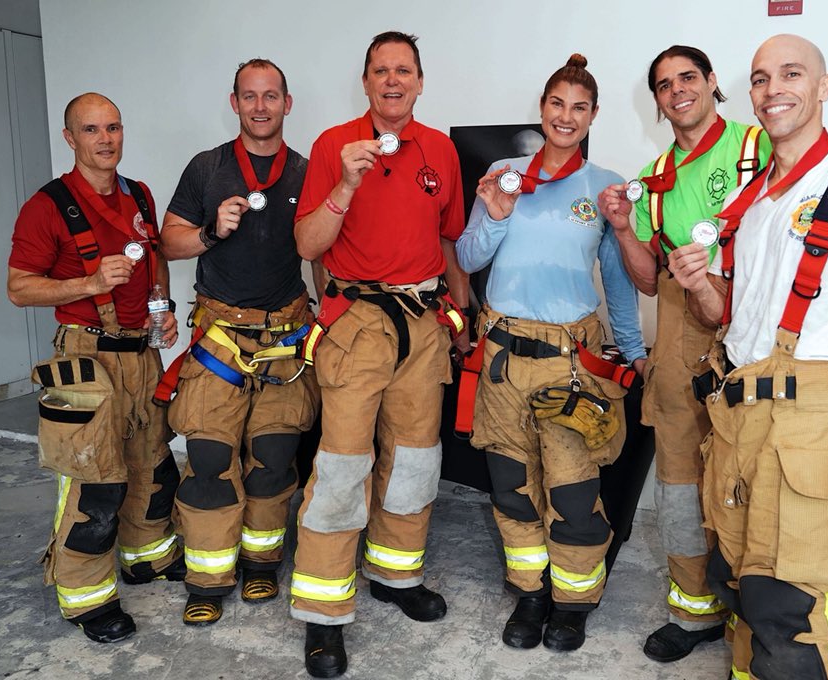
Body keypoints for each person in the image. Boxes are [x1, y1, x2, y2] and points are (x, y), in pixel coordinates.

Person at [668, 34, 828, 679]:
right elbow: (727, 317)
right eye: (760, 78)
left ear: (823, 86)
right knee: (739, 586)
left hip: (812, 429)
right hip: (739, 421)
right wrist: (702, 285)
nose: (773, 89)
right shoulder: (757, 201)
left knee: (790, 609)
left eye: (791, 74)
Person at [289, 30, 469, 678]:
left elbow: (448, 242)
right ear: (364, 83)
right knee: (341, 468)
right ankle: (324, 612)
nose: (392, 80)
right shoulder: (333, 145)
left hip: (423, 325)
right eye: (380, 71)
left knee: (417, 461)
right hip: (356, 324)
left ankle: (396, 575)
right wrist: (343, 184)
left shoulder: (441, 151)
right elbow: (309, 245)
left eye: (404, 71)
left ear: (420, 82)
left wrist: (463, 313)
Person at [457, 54, 647, 653]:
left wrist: (635, 351)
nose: (566, 117)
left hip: (570, 364)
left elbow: (617, 281)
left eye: (579, 108)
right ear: (542, 109)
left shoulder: (605, 188)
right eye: (557, 105)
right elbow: (466, 259)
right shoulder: (505, 175)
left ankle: (572, 603)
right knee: (511, 489)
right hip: (503, 360)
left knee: (571, 493)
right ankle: (531, 593)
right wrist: (494, 216)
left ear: (593, 117)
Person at [599, 45, 772, 663]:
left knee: (756, 472)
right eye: (664, 84)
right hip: (678, 332)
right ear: (657, 101)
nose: (678, 91)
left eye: (687, 78)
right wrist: (622, 227)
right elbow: (648, 279)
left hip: (754, 327)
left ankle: (758, 613)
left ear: (710, 83)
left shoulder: (759, 146)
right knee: (678, 476)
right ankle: (693, 608)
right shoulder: (653, 179)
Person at [7, 93, 183, 643]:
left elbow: (154, 264)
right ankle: (85, 595)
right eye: (91, 130)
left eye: (113, 128)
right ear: (70, 138)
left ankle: (146, 558)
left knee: (152, 463)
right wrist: (88, 283)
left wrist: (164, 312)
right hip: (84, 357)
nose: (105, 139)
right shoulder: (48, 205)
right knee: (93, 480)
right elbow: (18, 288)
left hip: (142, 353)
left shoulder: (140, 194)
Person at [160, 58, 319, 626]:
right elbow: (168, 242)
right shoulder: (207, 169)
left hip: (284, 337)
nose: (260, 107)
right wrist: (208, 232)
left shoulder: (305, 171)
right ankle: (207, 576)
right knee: (208, 459)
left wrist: (330, 328)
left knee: (273, 459)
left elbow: (321, 255)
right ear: (234, 103)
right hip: (221, 339)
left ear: (286, 103)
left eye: (270, 96)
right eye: (249, 97)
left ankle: (260, 561)